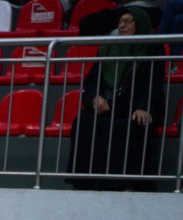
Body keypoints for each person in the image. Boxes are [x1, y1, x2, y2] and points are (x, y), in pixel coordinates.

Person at [67, 8, 166, 191]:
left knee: (136, 123)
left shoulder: (152, 48)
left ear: (140, 24)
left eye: (128, 21)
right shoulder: (108, 48)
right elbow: (92, 80)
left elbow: (153, 82)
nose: (122, 25)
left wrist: (145, 107)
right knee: (83, 121)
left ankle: (128, 185)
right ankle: (84, 183)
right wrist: (94, 98)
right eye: (121, 21)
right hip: (108, 107)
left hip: (134, 107)